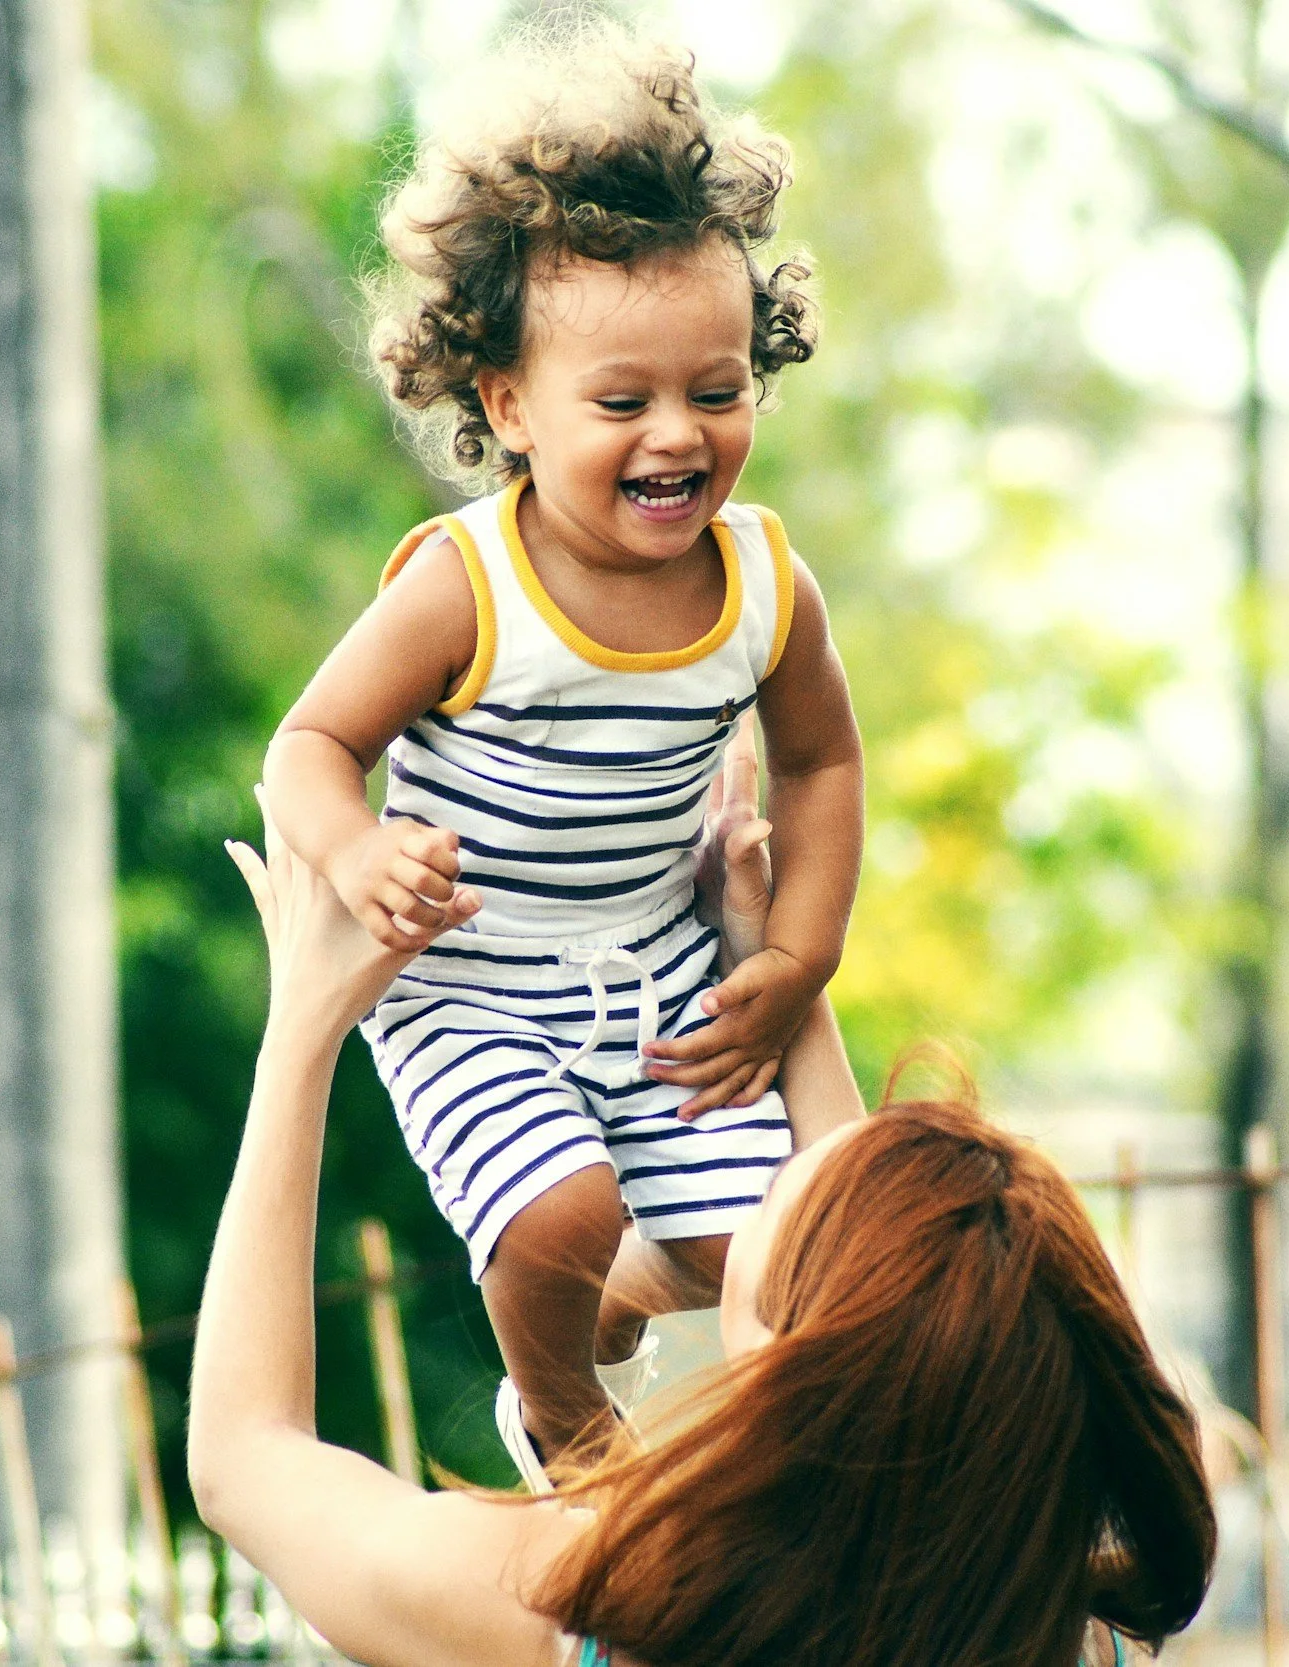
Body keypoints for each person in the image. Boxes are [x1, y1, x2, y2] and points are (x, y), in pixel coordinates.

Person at [192, 794, 1219, 1667]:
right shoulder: (1073, 1629)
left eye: (770, 1201)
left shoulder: (582, 1607)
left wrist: (301, 1031)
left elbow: (245, 1457)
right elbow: (897, 1310)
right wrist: (766, 966)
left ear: (784, 1361)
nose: (756, 1182)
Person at [258, 27, 865, 1482]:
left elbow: (825, 766)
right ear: (508, 405)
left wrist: (796, 958)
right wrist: (357, 849)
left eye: (717, 391)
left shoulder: (767, 585)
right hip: (471, 977)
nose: (678, 435)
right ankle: (569, 1429)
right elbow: (307, 743)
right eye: (623, 402)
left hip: (655, 964)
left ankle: (614, 1297)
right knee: (554, 1215)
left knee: (757, 1250)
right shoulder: (468, 587)